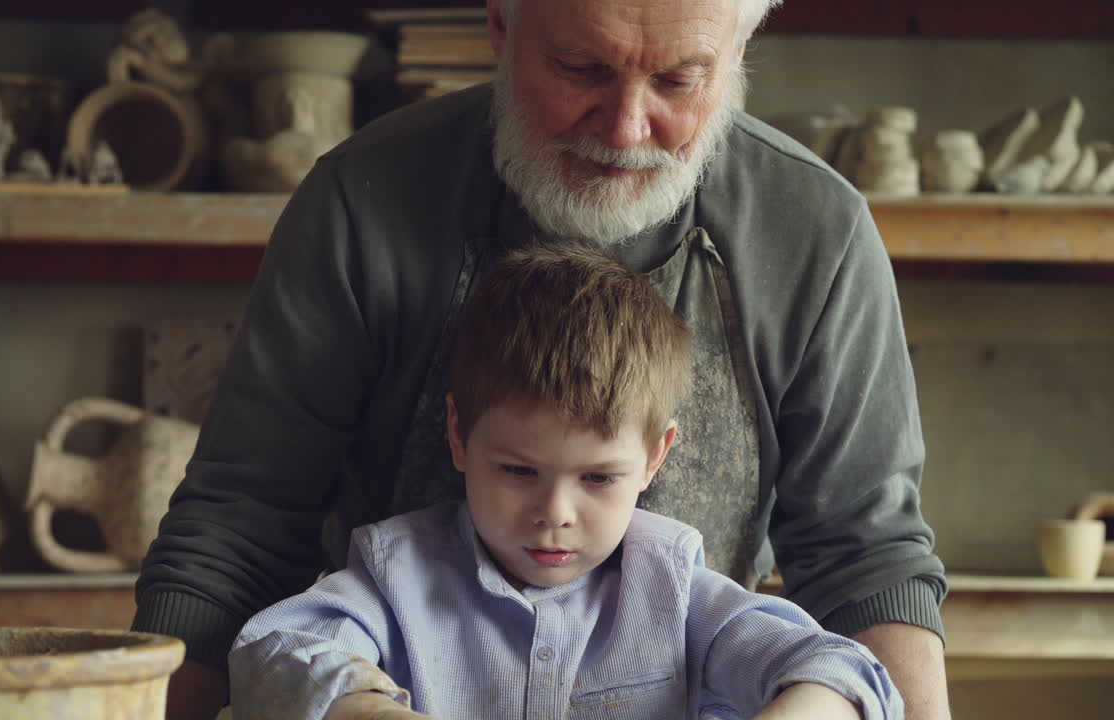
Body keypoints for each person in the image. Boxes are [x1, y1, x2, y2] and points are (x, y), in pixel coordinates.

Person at [133, 1, 951, 718]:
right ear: (500, 22)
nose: (627, 129)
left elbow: (866, 563)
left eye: (678, 80)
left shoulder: (814, 232)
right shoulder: (361, 203)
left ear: (738, 53)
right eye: (582, 67)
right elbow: (235, 541)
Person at [228, 243, 904, 720]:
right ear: (459, 435)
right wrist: (369, 712)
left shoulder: (677, 590)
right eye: (519, 470)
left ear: (655, 458)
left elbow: (847, 673)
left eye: (599, 478)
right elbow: (270, 654)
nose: (555, 512)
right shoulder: (397, 576)